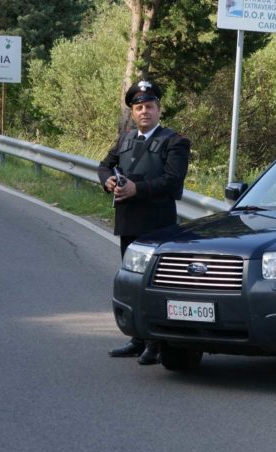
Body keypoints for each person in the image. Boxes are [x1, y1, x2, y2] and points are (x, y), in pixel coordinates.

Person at [98, 80, 190, 365]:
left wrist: (138, 189)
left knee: (155, 285)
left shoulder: (175, 141)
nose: (144, 112)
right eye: (138, 107)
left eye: (149, 106)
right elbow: (103, 166)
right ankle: (138, 339)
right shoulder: (126, 139)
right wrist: (108, 181)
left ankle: (156, 343)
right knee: (132, 284)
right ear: (132, 112)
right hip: (128, 223)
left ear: (159, 109)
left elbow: (173, 181)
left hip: (158, 225)